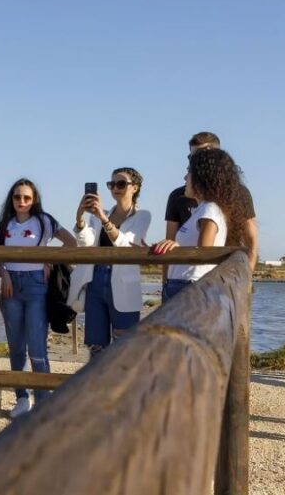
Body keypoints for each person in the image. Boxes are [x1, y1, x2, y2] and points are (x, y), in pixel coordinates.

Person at [0, 178, 77, 418]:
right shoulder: (4, 224)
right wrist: (4, 274)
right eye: (17, 197)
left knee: (37, 345)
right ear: (11, 199)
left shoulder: (45, 221)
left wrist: (49, 258)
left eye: (27, 198)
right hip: (11, 287)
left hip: (36, 286)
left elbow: (71, 242)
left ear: (34, 200)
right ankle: (22, 398)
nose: (22, 201)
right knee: (16, 346)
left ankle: (43, 400)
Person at [71, 168, 151, 360]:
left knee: (125, 349)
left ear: (135, 188)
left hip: (124, 284)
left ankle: (123, 390)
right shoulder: (99, 215)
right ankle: (96, 389)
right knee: (96, 347)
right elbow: (86, 244)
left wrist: (104, 219)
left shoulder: (142, 216)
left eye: (121, 183)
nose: (115, 188)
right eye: (112, 184)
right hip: (95, 280)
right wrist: (80, 218)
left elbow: (126, 243)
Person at [154, 148, 247, 301]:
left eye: (189, 173)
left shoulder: (209, 209)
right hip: (181, 284)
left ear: (202, 178)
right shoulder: (202, 209)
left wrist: (176, 248)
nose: (185, 178)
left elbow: (203, 254)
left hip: (189, 286)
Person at [164, 132, 258, 280]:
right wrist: (166, 283)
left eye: (201, 155)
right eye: (191, 157)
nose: (195, 161)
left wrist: (247, 279)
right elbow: (170, 242)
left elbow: (251, 242)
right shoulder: (178, 196)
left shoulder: (238, 194)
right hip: (188, 279)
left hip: (223, 278)